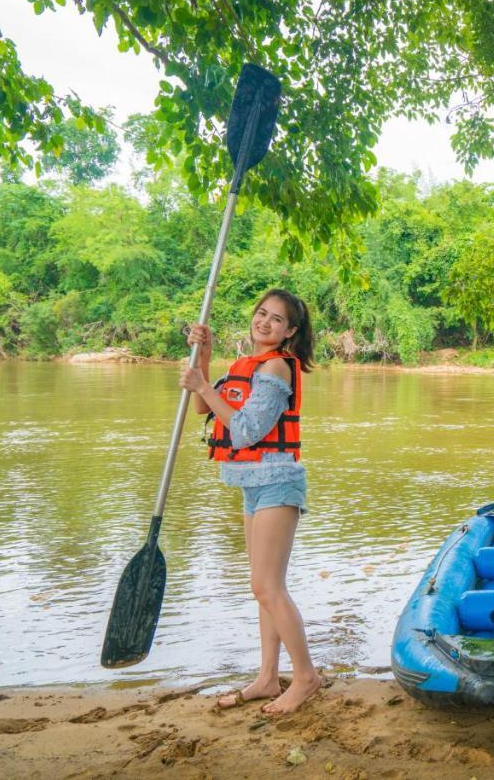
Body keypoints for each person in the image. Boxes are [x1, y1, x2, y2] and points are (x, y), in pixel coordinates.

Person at [180, 288, 326, 715]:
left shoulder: (277, 368)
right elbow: (200, 412)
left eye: (276, 319)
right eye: (261, 314)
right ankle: (267, 677)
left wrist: (204, 384)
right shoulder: (245, 366)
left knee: (268, 587)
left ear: (290, 332)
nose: (265, 322)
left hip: (278, 482)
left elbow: (245, 431)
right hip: (251, 483)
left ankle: (305, 677)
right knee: (263, 590)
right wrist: (203, 361)